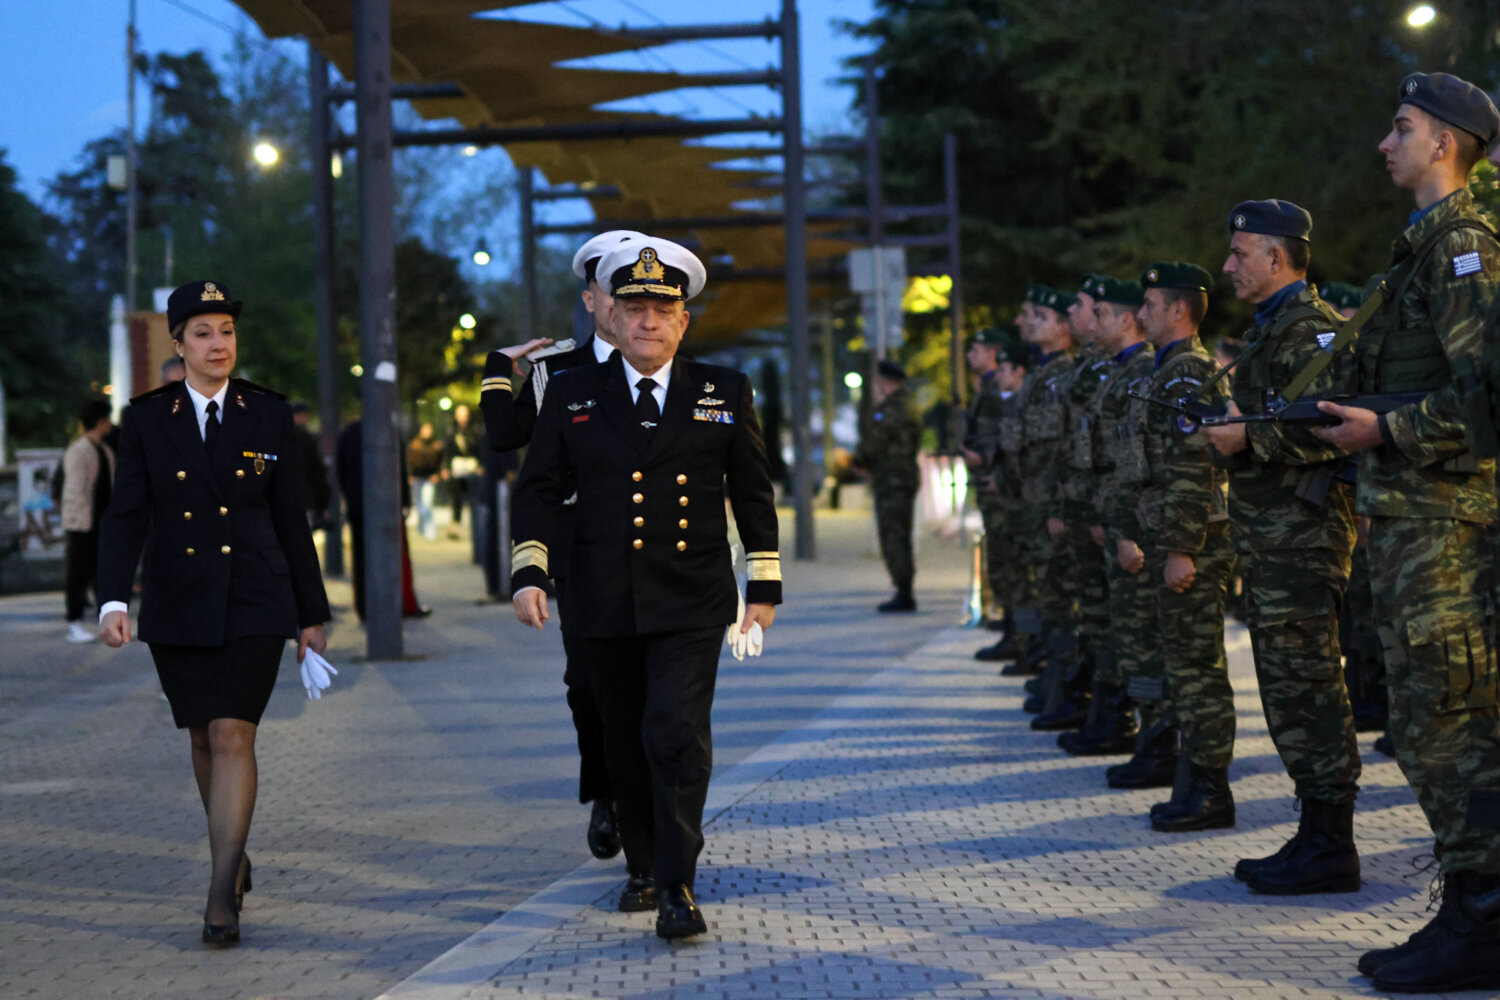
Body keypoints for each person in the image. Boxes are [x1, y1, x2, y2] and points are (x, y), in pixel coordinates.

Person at [510, 237, 781, 940]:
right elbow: (538, 488)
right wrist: (530, 572)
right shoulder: (572, 391)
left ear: (683, 322)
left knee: (676, 733)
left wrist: (763, 583)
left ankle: (676, 881)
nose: (648, 322)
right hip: (602, 596)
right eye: (635, 309)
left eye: (663, 311)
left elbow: (753, 492)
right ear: (613, 316)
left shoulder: (723, 390)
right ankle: (641, 864)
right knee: (624, 738)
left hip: (691, 596)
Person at [1313, 72, 1500, 993]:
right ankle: (1473, 907)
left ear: (1444, 143)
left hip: (1446, 528)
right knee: (1428, 726)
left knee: (1451, 725)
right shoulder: (1422, 251)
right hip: (1412, 522)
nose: (1384, 144)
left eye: (1401, 128)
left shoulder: (1464, 249)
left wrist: (1385, 429)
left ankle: (1484, 920)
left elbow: (1485, 399)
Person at [96, 280, 331, 947]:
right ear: (179, 345)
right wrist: (113, 599)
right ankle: (234, 851)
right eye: (203, 333)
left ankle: (220, 891)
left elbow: (291, 517)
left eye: (226, 331)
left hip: (256, 596)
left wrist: (310, 614)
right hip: (179, 600)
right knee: (202, 736)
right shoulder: (147, 419)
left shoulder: (268, 413)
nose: (218, 343)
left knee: (232, 733)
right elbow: (126, 513)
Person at [1203, 200, 1362, 894]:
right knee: (1285, 686)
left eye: (1240, 254)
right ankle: (1315, 832)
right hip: (1274, 542)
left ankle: (1332, 843)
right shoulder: (1272, 329)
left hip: (1304, 538)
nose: (1228, 266)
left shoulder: (1312, 331)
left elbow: (1331, 425)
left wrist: (1247, 437)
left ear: (1277, 257)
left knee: (1309, 685)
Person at [479, 229, 643, 863]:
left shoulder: (661, 361)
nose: (623, 305)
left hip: (650, 543)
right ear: (591, 299)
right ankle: (606, 792)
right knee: (587, 683)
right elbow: (506, 438)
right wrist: (499, 370)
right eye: (610, 291)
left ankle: (644, 805)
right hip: (580, 548)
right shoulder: (556, 370)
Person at [1112, 262, 1235, 827]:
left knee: (1198, 668)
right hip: (1172, 536)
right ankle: (1193, 784)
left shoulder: (1190, 374)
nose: (1142, 314)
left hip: (1194, 541)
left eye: (1151, 304)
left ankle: (1210, 791)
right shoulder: (1165, 371)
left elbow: (1193, 467)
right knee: (1182, 667)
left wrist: (1182, 549)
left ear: (1179, 310)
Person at [1060, 276, 1150, 758]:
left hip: (1126, 520)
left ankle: (1126, 724)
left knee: (1132, 631)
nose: (1091, 322)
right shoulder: (1112, 369)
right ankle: (1109, 715)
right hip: (1105, 513)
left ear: (1125, 319)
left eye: (1099, 312)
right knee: (1107, 622)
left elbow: (1131, 459)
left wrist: (1120, 524)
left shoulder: (1142, 370)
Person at [336, 418, 430, 620]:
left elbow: (340, 470)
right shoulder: (388, 429)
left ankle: (365, 607)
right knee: (393, 555)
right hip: (388, 503)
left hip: (359, 505)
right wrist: (405, 500)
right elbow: (400, 468)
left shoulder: (349, 434)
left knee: (361, 558)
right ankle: (395, 604)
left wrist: (349, 496)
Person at [852, 359, 922, 612]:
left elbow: (876, 440)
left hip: (892, 478)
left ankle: (903, 591)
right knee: (901, 533)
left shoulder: (892, 407)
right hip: (903, 475)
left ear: (886, 381)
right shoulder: (910, 404)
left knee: (893, 535)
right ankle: (904, 588)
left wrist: (859, 461)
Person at [61, 399, 115, 643]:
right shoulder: (79, 450)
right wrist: (78, 521)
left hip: (101, 523)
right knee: (78, 574)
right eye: (107, 419)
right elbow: (74, 490)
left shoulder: (104, 450)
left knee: (102, 573)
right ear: (101, 421)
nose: (110, 424)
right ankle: (74, 623)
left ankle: (106, 621)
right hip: (84, 523)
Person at [290, 402, 331, 531]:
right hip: (304, 498)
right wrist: (323, 501)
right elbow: (316, 471)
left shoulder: (276, 437)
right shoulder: (305, 438)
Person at [445, 404, 483, 544]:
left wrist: (479, 465)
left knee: (474, 498)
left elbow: (479, 450)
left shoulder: (474, 432)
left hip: (472, 469)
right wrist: (446, 468)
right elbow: (448, 452)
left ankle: (476, 526)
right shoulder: (451, 433)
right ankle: (455, 525)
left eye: (465, 415)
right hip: (457, 470)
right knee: (457, 499)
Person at [406, 422, 444, 541]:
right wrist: (410, 475)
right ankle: (422, 528)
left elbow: (439, 462)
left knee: (427, 504)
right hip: (417, 478)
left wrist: (437, 474)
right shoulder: (414, 445)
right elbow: (409, 461)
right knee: (419, 505)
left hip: (429, 478)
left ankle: (430, 530)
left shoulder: (435, 446)